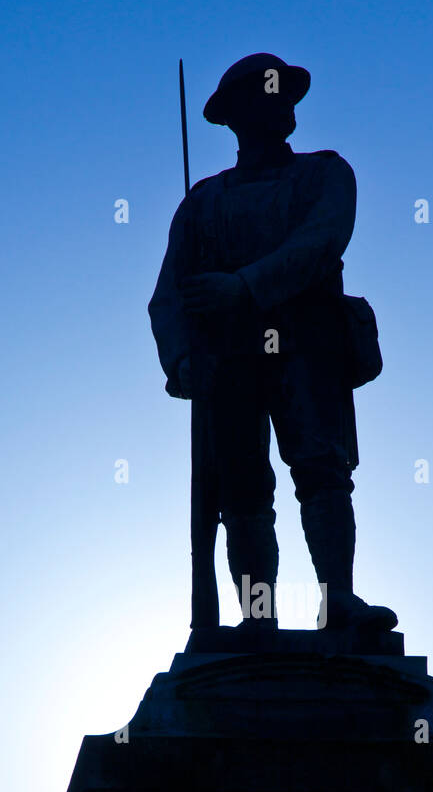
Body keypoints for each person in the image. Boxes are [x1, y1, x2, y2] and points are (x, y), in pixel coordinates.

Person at [148, 52, 397, 634]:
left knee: (322, 469)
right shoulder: (201, 202)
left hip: (309, 343)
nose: (280, 102)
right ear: (234, 115)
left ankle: (339, 600)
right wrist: (181, 356)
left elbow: (320, 243)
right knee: (241, 491)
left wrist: (242, 287)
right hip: (225, 359)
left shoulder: (324, 173)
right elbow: (167, 295)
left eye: (284, 92)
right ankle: (256, 617)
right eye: (266, 92)